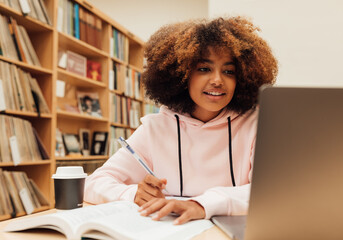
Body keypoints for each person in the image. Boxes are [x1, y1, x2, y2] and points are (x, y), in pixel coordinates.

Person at [84, 16, 278, 225]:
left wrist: (201, 205)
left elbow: (271, 191)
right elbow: (94, 183)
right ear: (182, 75)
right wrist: (134, 194)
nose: (217, 80)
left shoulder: (256, 124)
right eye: (204, 69)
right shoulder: (155, 129)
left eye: (228, 71)